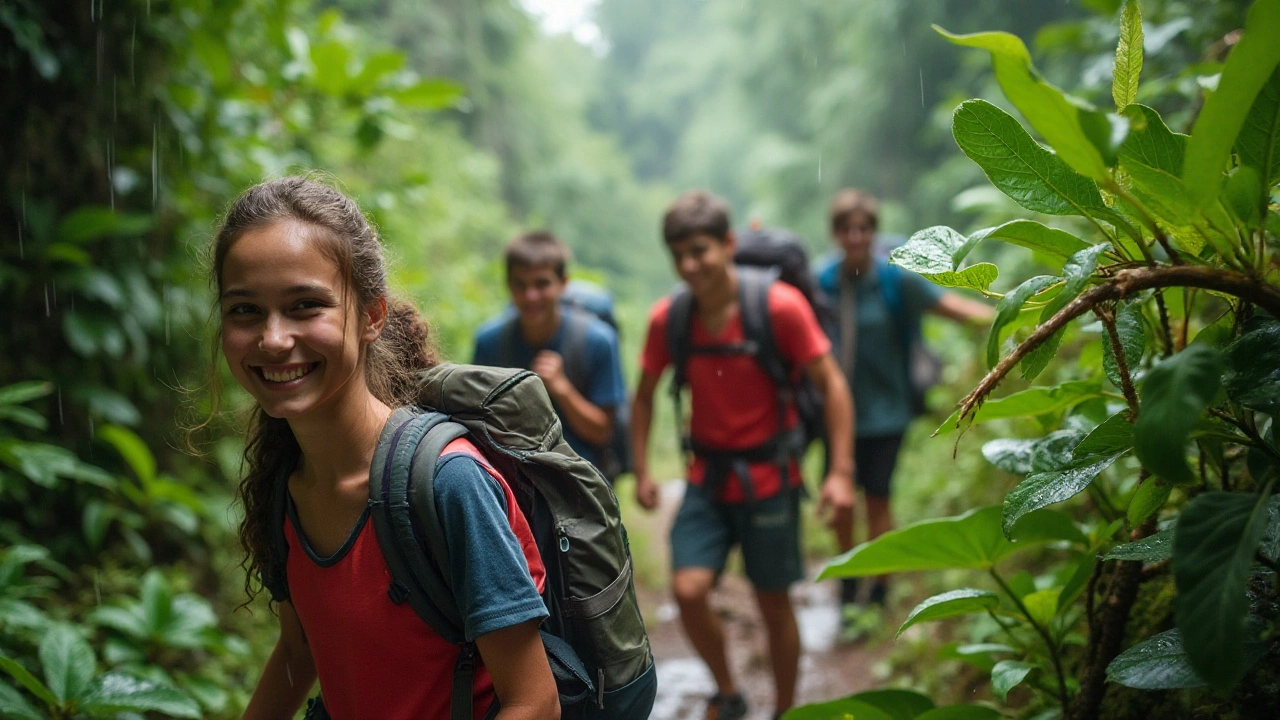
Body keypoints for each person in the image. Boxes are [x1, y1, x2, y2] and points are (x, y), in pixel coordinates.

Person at [214, 176, 559, 719]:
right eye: (245, 311)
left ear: (371, 317)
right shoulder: (287, 483)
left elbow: (535, 703)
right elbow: (299, 651)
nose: (273, 339)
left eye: (306, 305)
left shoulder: (448, 484)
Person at [632, 190, 856, 720]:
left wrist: (840, 473)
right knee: (687, 590)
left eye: (701, 250)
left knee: (773, 602)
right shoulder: (671, 319)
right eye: (679, 254)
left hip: (770, 477)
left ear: (729, 244)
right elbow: (642, 396)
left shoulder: (779, 308)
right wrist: (642, 468)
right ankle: (729, 692)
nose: (690, 265)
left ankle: (783, 710)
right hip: (706, 479)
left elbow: (833, 386)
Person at [814, 188, 994, 619]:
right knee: (841, 506)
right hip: (835, 416)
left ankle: (878, 588)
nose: (855, 237)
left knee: (878, 499)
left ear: (874, 233)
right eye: (846, 229)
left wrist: (1019, 316)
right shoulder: (822, 283)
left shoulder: (897, 280)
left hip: (887, 414)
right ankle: (847, 582)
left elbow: (953, 308)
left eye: (863, 229)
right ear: (835, 233)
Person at [472, 231, 626, 470]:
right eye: (520, 285)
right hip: (513, 477)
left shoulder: (597, 341)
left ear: (563, 284)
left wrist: (562, 388)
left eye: (542, 284)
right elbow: (477, 422)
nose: (530, 296)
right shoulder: (490, 342)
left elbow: (603, 432)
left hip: (581, 478)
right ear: (508, 285)